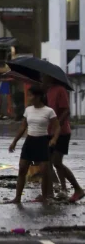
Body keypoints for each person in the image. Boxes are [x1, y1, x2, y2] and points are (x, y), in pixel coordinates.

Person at [4, 86, 60, 204]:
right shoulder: (28, 110)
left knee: (44, 171)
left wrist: (54, 139)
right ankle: (17, 198)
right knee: (22, 169)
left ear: (38, 97)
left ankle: (45, 197)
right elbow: (23, 127)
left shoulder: (49, 111)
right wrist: (14, 141)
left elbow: (57, 127)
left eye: (31, 95)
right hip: (29, 141)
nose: (29, 98)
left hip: (42, 141)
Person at [42, 74, 85, 202]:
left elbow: (66, 110)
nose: (41, 78)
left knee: (56, 162)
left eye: (43, 76)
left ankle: (77, 189)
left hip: (62, 132)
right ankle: (54, 191)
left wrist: (57, 123)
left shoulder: (60, 89)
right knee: (47, 162)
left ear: (50, 77)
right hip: (49, 132)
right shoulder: (48, 90)